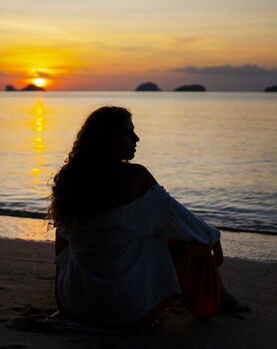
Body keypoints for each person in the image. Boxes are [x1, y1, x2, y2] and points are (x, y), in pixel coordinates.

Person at [48, 106, 247, 328]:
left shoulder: (70, 180)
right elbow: (182, 221)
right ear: (105, 141)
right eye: (127, 133)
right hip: (128, 313)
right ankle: (220, 298)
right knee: (194, 242)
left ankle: (78, 296)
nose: (137, 138)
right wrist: (213, 236)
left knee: (63, 230)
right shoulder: (135, 177)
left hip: (73, 305)